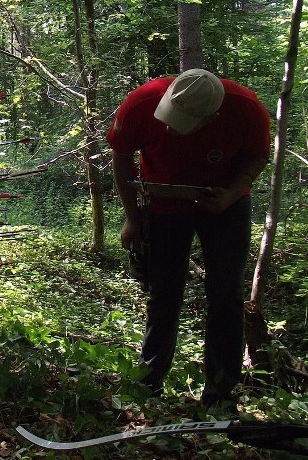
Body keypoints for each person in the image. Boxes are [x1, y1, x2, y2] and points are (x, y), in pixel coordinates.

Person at [106, 68, 270, 409]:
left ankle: (220, 393)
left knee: (226, 295)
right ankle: (147, 384)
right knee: (163, 293)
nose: (168, 126)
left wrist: (232, 193)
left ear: (212, 116)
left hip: (225, 205)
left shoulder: (246, 109)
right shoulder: (140, 103)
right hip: (164, 206)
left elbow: (257, 155)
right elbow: (121, 157)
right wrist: (133, 218)